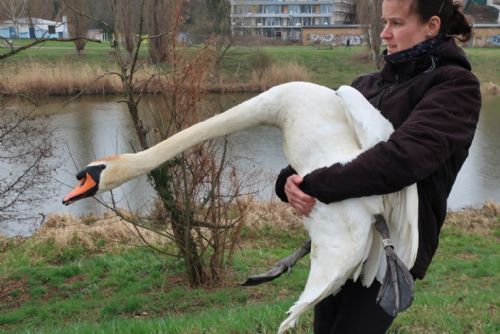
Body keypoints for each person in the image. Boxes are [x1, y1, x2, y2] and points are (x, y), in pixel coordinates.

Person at [275, 0, 481, 333]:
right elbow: (318, 154)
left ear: (432, 25)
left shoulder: (455, 88)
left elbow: (401, 160)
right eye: (385, 22)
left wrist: (314, 184)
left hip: (392, 251)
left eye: (397, 23)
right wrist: (290, 183)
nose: (385, 33)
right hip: (340, 237)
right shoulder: (364, 87)